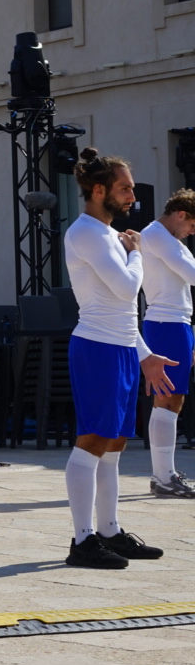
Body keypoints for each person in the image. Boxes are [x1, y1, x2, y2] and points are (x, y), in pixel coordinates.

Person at [62, 148, 176, 569]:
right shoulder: (88, 233)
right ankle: (82, 540)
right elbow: (129, 290)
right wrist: (138, 252)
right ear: (98, 190)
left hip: (121, 348)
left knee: (114, 445)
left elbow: (125, 309)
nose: (132, 195)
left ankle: (109, 531)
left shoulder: (112, 235)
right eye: (124, 188)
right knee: (93, 441)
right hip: (97, 348)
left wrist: (145, 355)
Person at [141, 189, 195, 497]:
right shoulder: (156, 235)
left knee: (174, 398)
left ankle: (165, 473)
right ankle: (162, 477)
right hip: (165, 323)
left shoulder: (169, 239)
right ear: (181, 215)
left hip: (177, 323)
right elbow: (192, 274)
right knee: (167, 396)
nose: (191, 232)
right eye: (192, 226)